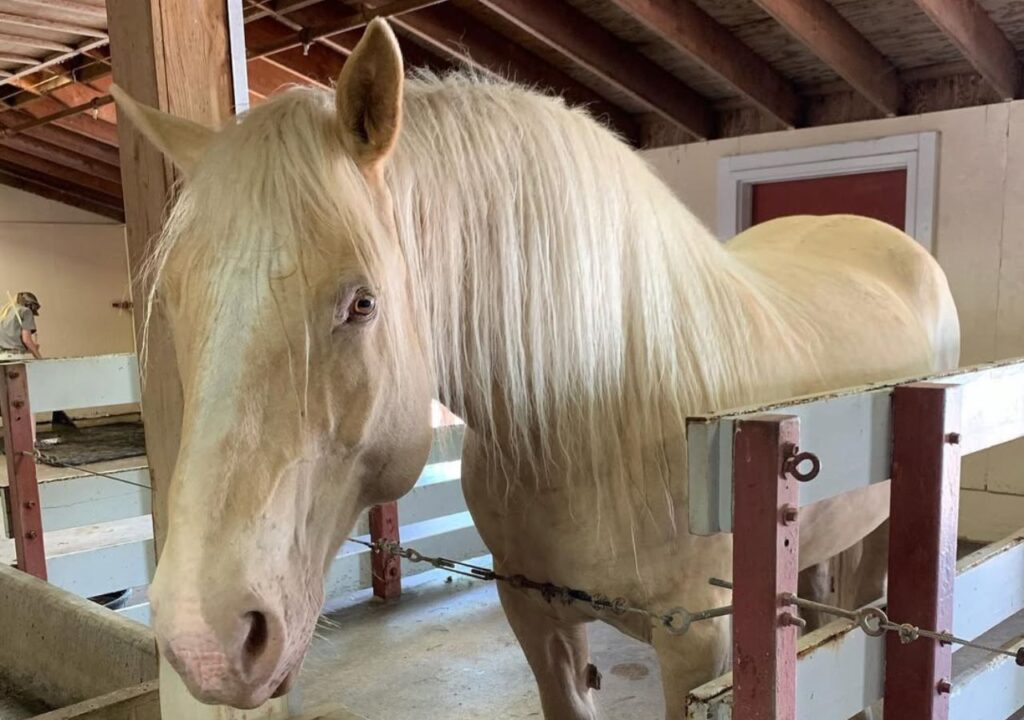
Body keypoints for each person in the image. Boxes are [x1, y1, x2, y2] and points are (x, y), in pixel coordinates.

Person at [0, 291, 42, 361]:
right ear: (30, 305)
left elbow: (8, 342)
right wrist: (39, 357)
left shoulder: (4, 311)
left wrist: (30, 348)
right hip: (15, 358)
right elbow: (26, 340)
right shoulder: (26, 311)